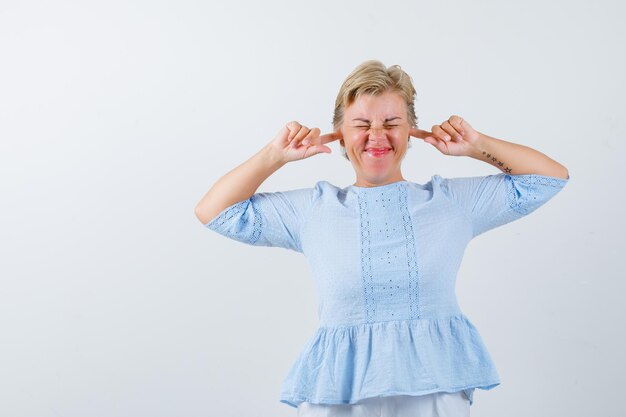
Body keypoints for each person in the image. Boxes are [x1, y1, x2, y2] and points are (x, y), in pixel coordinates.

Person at [194, 60, 570, 417]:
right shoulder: (315, 209)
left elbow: (548, 178)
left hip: (436, 390)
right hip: (337, 395)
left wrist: (476, 145)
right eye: (361, 124)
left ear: (411, 132)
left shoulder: (450, 203)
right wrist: (273, 156)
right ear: (340, 133)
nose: (377, 135)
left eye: (392, 122)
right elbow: (214, 211)